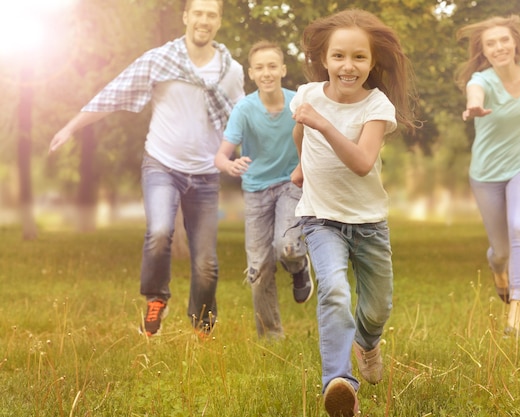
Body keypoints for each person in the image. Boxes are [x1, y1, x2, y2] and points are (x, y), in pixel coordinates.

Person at [48, 0, 244, 336]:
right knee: (158, 232)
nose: (204, 20)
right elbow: (114, 92)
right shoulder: (159, 60)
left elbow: (242, 117)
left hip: (206, 174)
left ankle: (202, 325)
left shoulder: (231, 70)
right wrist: (71, 127)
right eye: (198, 13)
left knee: (206, 263)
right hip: (162, 165)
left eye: (211, 14)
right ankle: (156, 300)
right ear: (186, 17)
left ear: (219, 21)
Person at [290, 9, 417, 417]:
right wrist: (301, 166)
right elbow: (299, 129)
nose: (349, 66)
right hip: (320, 218)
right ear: (324, 59)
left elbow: (362, 161)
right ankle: (339, 382)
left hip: (368, 224)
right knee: (335, 291)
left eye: (359, 57)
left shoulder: (377, 105)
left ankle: (367, 341)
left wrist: (324, 126)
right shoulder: (307, 96)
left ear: (372, 62)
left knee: (378, 307)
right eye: (339, 56)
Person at [214, 40, 313, 341]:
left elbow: (317, 141)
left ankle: (299, 265)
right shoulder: (244, 109)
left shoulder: (298, 104)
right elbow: (220, 155)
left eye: (272, 66)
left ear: (283, 69)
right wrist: (229, 165)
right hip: (256, 190)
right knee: (258, 268)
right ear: (251, 74)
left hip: (290, 183)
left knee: (286, 247)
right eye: (260, 68)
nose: (267, 73)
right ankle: (272, 337)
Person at [455, 15, 520, 339]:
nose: (499, 47)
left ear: (515, 42)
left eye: (504, 40)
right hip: (487, 173)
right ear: (484, 51)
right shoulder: (481, 80)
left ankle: (515, 318)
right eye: (491, 43)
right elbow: (474, 93)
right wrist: (474, 107)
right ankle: (499, 272)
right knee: (501, 251)